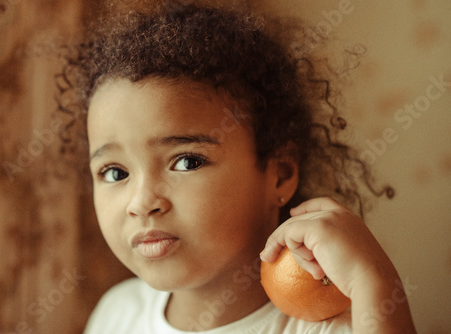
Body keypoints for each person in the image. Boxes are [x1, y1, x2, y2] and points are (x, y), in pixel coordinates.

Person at [60, 1, 416, 333]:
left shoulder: (326, 326)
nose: (141, 203)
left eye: (186, 162)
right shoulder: (117, 314)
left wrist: (374, 283)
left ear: (281, 174)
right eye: (115, 173)